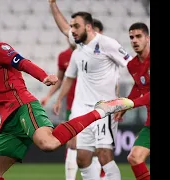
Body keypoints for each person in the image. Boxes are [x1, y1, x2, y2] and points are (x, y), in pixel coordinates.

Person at [0, 15, 134, 180]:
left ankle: (101, 110)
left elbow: (22, 62)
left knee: (49, 144)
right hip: (7, 124)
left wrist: (43, 76)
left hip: (22, 108)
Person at [48, 0, 133, 179]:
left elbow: (132, 65)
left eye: (76, 26)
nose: (72, 30)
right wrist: (53, 4)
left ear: (88, 27)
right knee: (82, 158)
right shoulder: (79, 47)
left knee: (104, 156)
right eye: (72, 26)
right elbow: (63, 28)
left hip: (104, 109)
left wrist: (129, 99)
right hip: (81, 111)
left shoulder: (107, 43)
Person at [40, 18, 105, 180]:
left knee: (94, 147)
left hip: (95, 106)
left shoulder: (95, 54)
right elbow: (62, 79)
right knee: (72, 143)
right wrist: (51, 97)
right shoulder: (64, 56)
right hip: (73, 105)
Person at [114, 22, 150, 180]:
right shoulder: (133, 65)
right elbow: (138, 86)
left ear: (147, 38)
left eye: (138, 36)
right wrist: (125, 105)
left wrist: (133, 104)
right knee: (134, 157)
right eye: (131, 37)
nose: (134, 40)